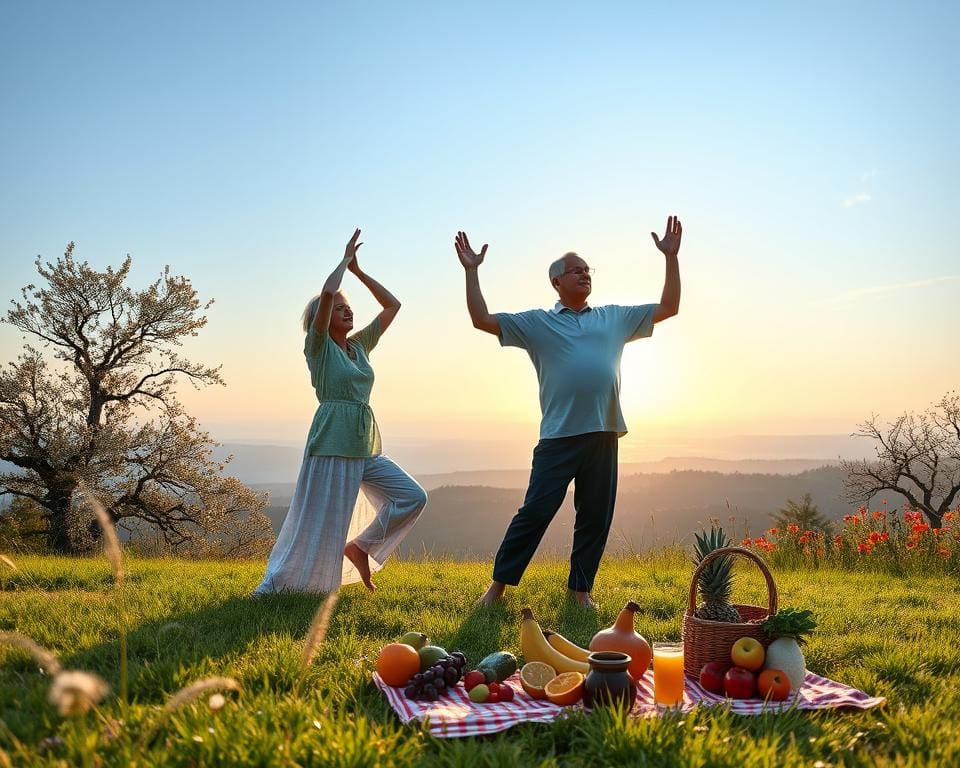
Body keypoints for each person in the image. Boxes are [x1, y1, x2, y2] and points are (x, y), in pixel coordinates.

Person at [455, 216, 682, 608]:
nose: (584, 274)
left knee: (595, 516)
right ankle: (497, 588)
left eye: (587, 269)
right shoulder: (537, 323)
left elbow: (669, 307)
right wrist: (472, 273)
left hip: (604, 432)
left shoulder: (613, 316)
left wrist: (671, 259)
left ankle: (580, 592)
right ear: (556, 282)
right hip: (558, 436)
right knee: (536, 510)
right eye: (575, 270)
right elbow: (481, 320)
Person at [255, 229, 427, 595]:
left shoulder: (360, 345)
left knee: (412, 497)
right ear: (323, 317)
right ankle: (286, 585)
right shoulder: (317, 347)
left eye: (349, 307)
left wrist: (361, 273)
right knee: (319, 522)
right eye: (339, 308)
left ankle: (361, 547)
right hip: (332, 443)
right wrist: (344, 261)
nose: (347, 309)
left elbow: (393, 305)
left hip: (364, 445)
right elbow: (329, 291)